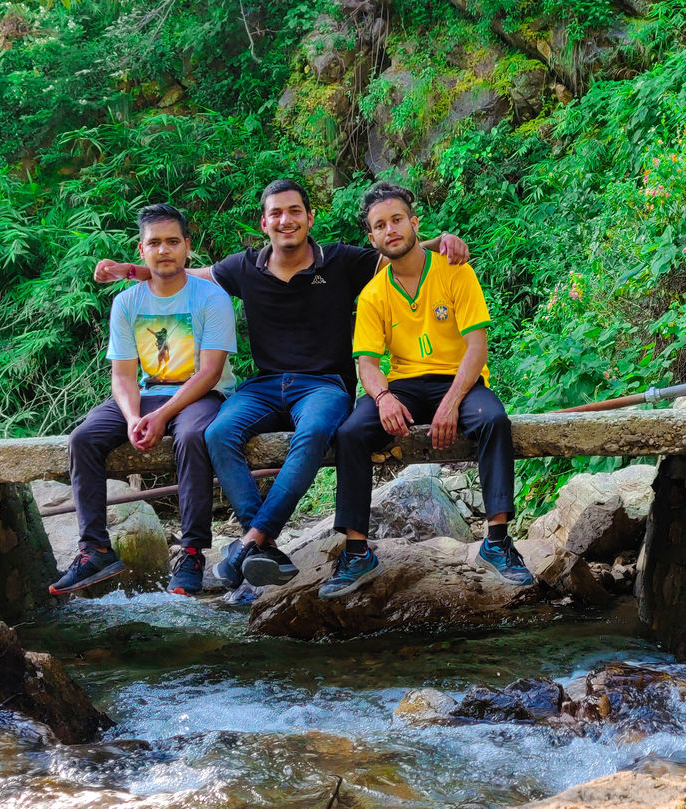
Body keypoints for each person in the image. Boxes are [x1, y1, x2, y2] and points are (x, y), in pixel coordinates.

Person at [96, 178, 468, 591]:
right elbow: (185, 272)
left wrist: (441, 240)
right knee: (218, 431)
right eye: (276, 213)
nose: (285, 220)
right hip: (266, 384)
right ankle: (266, 546)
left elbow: (400, 252)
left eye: (294, 212)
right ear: (263, 223)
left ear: (310, 217)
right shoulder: (244, 267)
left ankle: (252, 540)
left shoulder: (341, 260)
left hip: (324, 385)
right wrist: (131, 271)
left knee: (311, 434)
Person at [318, 182, 533, 600]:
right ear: (373, 238)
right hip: (402, 387)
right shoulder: (373, 294)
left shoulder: (454, 270)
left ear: (415, 223)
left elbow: (477, 347)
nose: (391, 229)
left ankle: (498, 542)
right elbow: (366, 363)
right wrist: (382, 399)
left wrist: (452, 402)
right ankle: (358, 552)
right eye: (380, 225)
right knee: (350, 433)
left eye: (397, 219)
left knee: (494, 419)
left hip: (459, 380)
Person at [50, 203, 237, 596]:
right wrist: (134, 416)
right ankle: (96, 549)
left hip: (202, 394)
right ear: (141, 250)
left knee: (190, 437)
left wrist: (164, 415)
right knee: (83, 439)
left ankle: (191, 552)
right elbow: (122, 375)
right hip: (147, 395)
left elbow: (210, 373)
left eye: (173, 241)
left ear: (188, 246)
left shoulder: (211, 297)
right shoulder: (127, 302)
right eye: (155, 242)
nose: (164, 250)